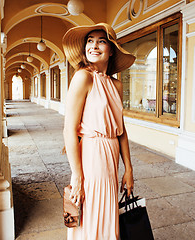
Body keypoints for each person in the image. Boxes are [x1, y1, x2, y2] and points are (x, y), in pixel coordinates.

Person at [62, 23, 135, 240]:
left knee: (107, 211)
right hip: (91, 155)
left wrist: (129, 170)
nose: (94, 46)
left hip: (111, 158)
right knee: (90, 212)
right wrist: (77, 176)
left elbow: (120, 131)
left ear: (111, 49)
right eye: (90, 41)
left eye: (101, 41)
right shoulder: (83, 77)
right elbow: (69, 130)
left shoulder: (116, 85)